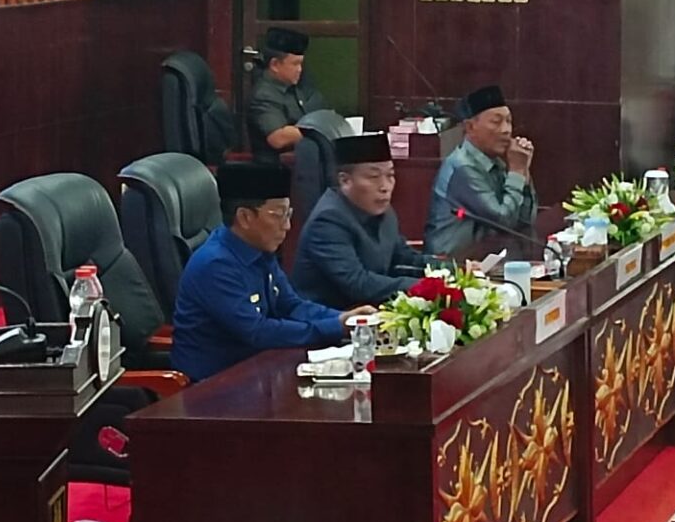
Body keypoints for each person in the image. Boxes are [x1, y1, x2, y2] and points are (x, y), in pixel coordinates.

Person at [169, 162, 375, 382]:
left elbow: (290, 305)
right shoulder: (216, 264)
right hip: (214, 385)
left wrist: (344, 319)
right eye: (278, 215)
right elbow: (257, 332)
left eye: (288, 214)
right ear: (245, 217)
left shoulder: (259, 249)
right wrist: (335, 327)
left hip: (258, 371)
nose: (287, 226)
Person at [292, 133, 435, 307]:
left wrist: (449, 269)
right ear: (345, 180)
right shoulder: (328, 220)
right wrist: (425, 287)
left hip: (371, 311)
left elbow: (404, 257)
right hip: (329, 317)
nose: (385, 186)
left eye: (390, 175)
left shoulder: (385, 212)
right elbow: (358, 283)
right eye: (374, 177)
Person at [424, 84, 538, 256]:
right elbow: (503, 221)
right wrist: (516, 170)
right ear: (470, 127)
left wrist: (524, 172)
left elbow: (524, 222)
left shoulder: (496, 163)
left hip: (484, 259)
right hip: (451, 263)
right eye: (496, 122)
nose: (506, 130)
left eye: (508, 121)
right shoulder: (462, 167)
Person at [247, 27, 330, 161]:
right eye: (295, 64)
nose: (299, 70)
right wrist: (321, 130)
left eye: (301, 64)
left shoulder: (301, 87)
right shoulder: (264, 95)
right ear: (275, 64)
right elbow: (278, 138)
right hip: (276, 168)